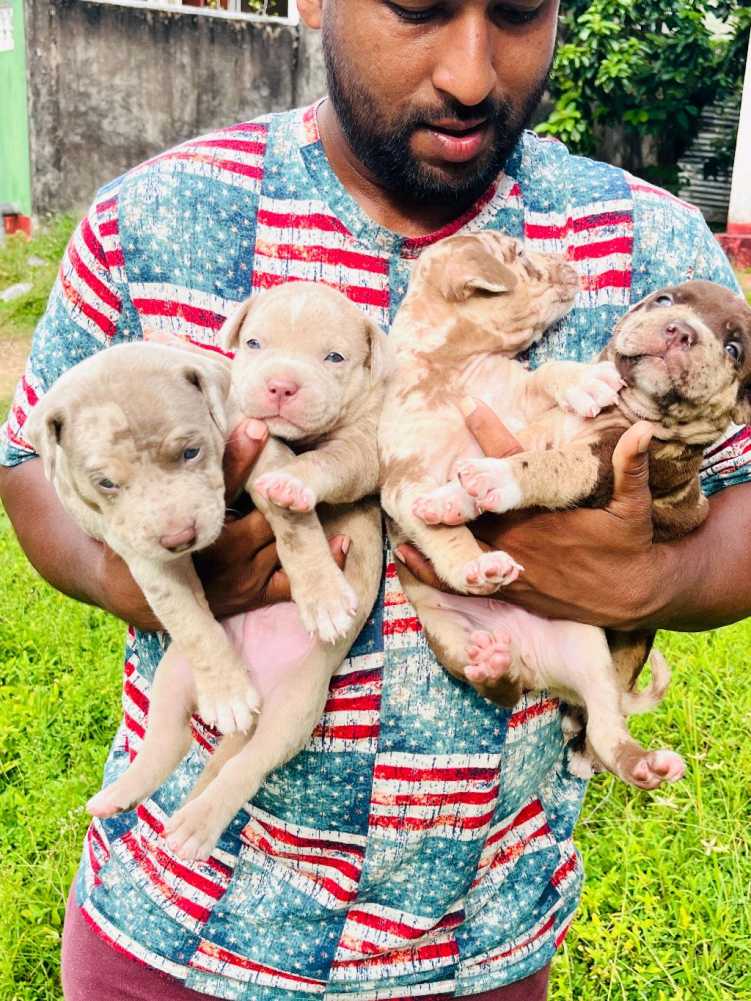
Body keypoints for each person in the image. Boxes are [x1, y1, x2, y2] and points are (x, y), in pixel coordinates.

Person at [1, 1, 749, 999]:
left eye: (518, 11)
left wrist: (648, 578)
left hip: (476, 945)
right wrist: (136, 570)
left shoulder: (645, 246)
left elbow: (741, 500)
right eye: (416, 6)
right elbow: (26, 460)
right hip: (176, 924)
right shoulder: (155, 216)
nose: (471, 73)